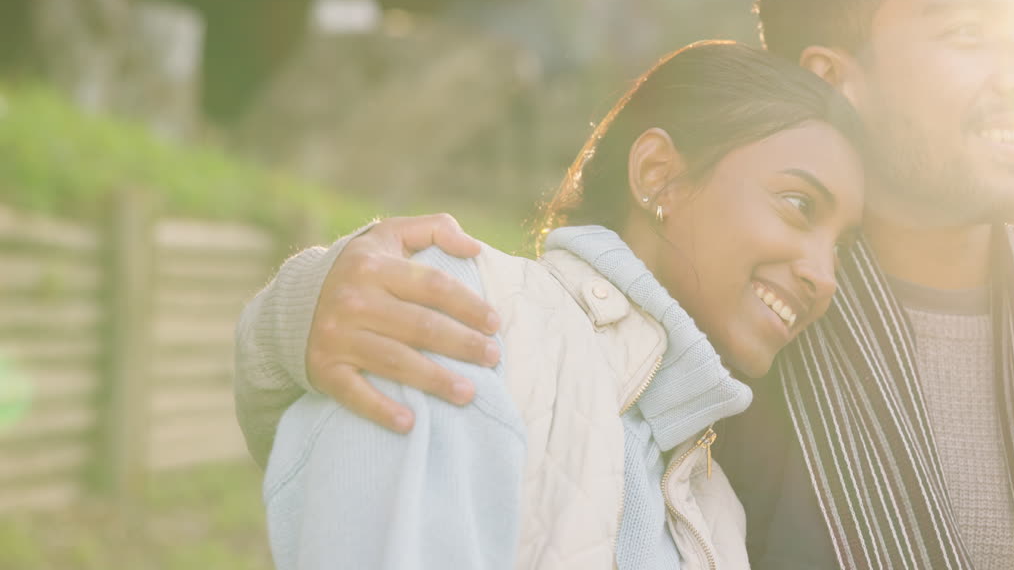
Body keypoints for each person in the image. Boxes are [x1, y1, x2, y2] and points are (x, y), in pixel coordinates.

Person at [236, 0, 1014, 569]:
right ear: (835, 75)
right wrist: (298, 310)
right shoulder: (742, 343)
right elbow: (524, 377)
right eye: (965, 34)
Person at [257, 40, 866, 569]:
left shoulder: (714, 509)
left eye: (840, 248)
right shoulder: (464, 318)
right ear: (658, 174)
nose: (823, 276)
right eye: (799, 205)